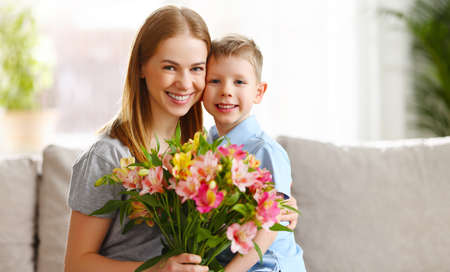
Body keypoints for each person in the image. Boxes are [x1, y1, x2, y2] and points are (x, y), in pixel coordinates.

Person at [64, 6, 211, 272]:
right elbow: (76, 264)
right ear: (142, 67)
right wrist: (156, 270)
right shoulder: (108, 157)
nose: (185, 82)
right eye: (170, 67)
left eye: (196, 69)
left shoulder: (203, 152)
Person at [203, 34, 306, 272]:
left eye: (239, 82)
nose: (226, 91)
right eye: (215, 81)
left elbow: (269, 230)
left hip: (268, 265)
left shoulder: (266, 152)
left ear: (259, 92)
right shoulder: (205, 148)